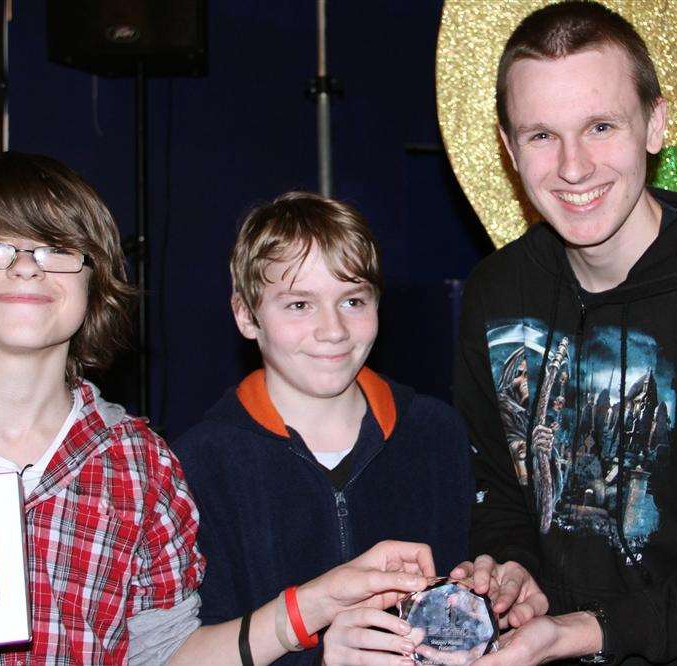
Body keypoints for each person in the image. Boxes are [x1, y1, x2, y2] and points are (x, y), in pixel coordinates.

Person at [0, 152, 443, 666]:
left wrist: (319, 600)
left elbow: (169, 658)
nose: (27, 267)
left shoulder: (140, 464)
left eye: (57, 248)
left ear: (93, 280)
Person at [453, 2, 677, 664]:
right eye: (541, 135)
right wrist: (515, 574)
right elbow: (501, 494)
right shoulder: (497, 295)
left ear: (654, 124)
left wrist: (581, 630)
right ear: (507, 149)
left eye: (600, 126)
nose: (572, 167)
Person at [173, 191, 548, 664]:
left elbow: (485, 562)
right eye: (298, 305)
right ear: (247, 315)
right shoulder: (200, 463)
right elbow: (193, 648)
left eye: (352, 300)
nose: (333, 330)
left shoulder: (436, 432)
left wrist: (495, 584)